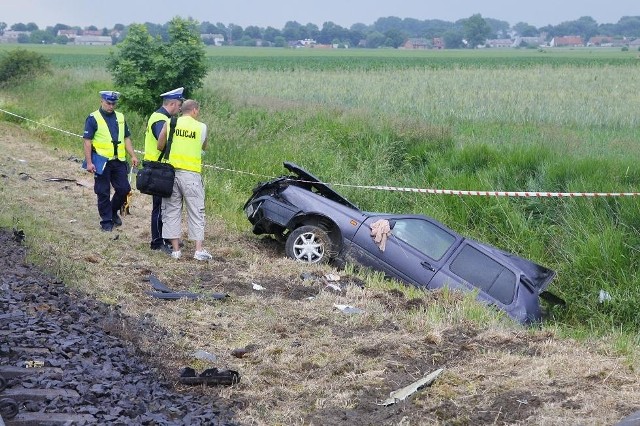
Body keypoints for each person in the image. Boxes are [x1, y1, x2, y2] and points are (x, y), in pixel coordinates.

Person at [157, 99, 212, 261]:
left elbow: (160, 145)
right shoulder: (201, 127)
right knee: (196, 211)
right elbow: (204, 147)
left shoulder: (170, 122)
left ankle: (175, 250)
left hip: (171, 173)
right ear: (194, 110)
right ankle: (198, 250)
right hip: (191, 175)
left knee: (172, 210)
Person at [83, 90, 139, 232]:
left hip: (118, 160)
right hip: (102, 160)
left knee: (124, 189)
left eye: (114, 103)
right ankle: (106, 221)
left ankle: (113, 212)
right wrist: (89, 162)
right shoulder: (93, 118)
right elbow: (87, 141)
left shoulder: (120, 117)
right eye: (108, 103)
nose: (111, 106)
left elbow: (126, 138)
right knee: (103, 191)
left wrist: (132, 155)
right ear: (101, 101)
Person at [144, 87, 184, 253]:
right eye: (179, 105)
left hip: (159, 167)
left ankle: (165, 237)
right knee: (160, 207)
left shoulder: (161, 117)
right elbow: (164, 142)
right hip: (157, 168)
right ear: (173, 104)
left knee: (164, 206)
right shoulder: (160, 119)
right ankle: (158, 242)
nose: (180, 109)